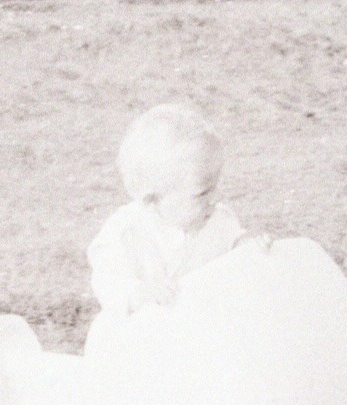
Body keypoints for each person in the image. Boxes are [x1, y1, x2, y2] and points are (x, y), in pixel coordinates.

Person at [87, 104, 244, 322]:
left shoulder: (220, 222)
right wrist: (137, 293)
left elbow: (240, 255)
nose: (215, 199)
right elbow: (108, 278)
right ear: (152, 200)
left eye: (214, 187)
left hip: (205, 332)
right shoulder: (126, 231)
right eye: (202, 193)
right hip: (147, 336)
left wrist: (254, 249)